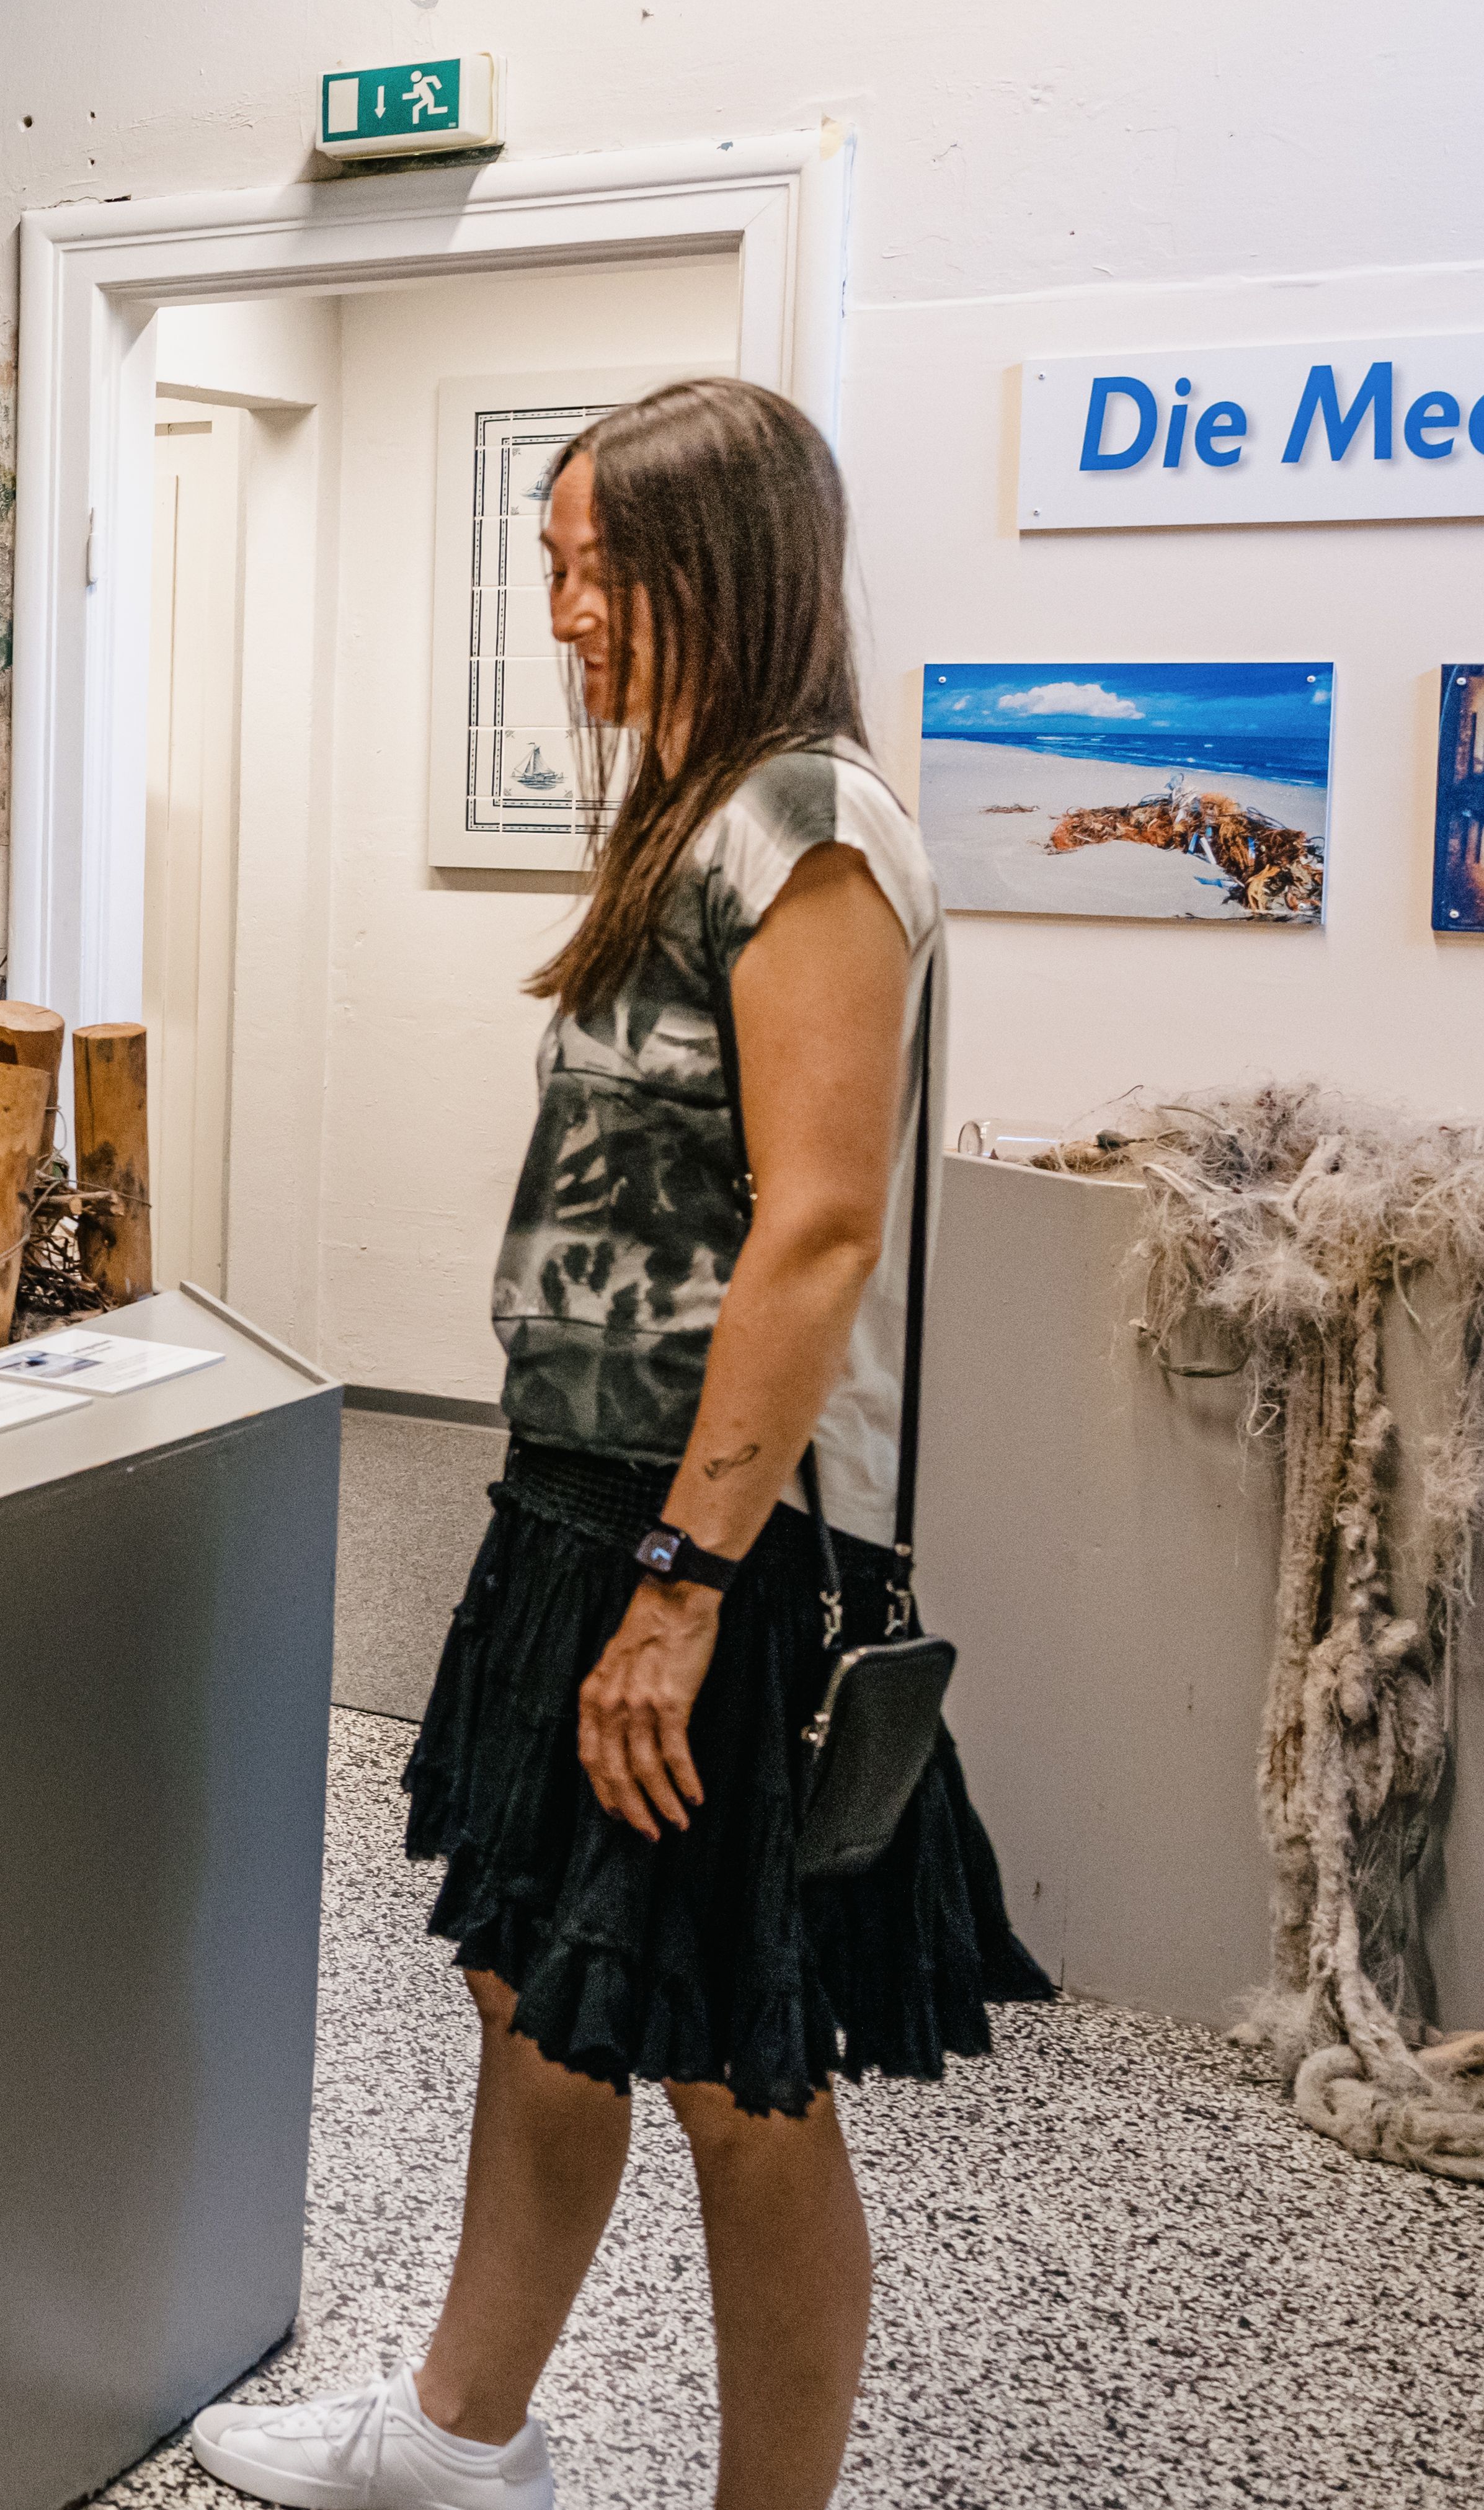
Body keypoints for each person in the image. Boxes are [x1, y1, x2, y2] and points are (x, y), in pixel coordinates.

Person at [189, 379, 1050, 2510]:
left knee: (736, 2078)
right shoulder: (688, 810)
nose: (563, 613)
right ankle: (456, 2437)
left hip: (719, 1542)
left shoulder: (812, 826)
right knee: (528, 1981)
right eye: (552, 566)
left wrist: (681, 1585)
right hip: (580, 1502)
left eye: (595, 568)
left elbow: (820, 1217)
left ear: (717, 569)